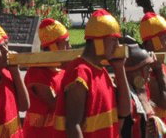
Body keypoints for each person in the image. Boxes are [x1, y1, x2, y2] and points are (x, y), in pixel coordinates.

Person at [53, 9, 131, 138]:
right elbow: (72, 126)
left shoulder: (101, 70)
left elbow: (125, 111)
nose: (118, 46)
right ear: (98, 41)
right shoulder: (80, 73)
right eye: (113, 40)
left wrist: (119, 68)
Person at [23, 18, 71, 138]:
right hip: (38, 134)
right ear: (54, 47)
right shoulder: (37, 72)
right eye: (65, 43)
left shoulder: (60, 68)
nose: (69, 47)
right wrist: (70, 72)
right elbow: (55, 104)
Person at [119, 36, 166, 138]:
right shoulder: (125, 98)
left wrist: (155, 123)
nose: (150, 70)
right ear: (137, 71)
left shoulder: (140, 87)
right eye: (146, 67)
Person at [140, 12, 166, 122]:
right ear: (154, 41)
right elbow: (164, 103)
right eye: (165, 38)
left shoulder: (160, 65)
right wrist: (159, 70)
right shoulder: (146, 69)